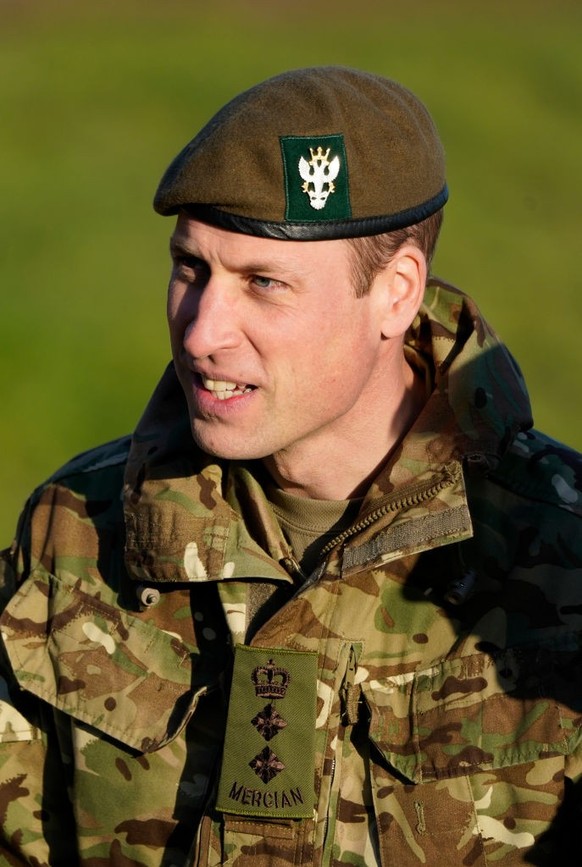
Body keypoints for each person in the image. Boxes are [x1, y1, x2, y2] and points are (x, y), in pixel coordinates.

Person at [0, 66, 581, 867]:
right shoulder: (78, 535)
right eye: (190, 268)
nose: (203, 332)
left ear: (395, 294)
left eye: (263, 283)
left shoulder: (564, 563)